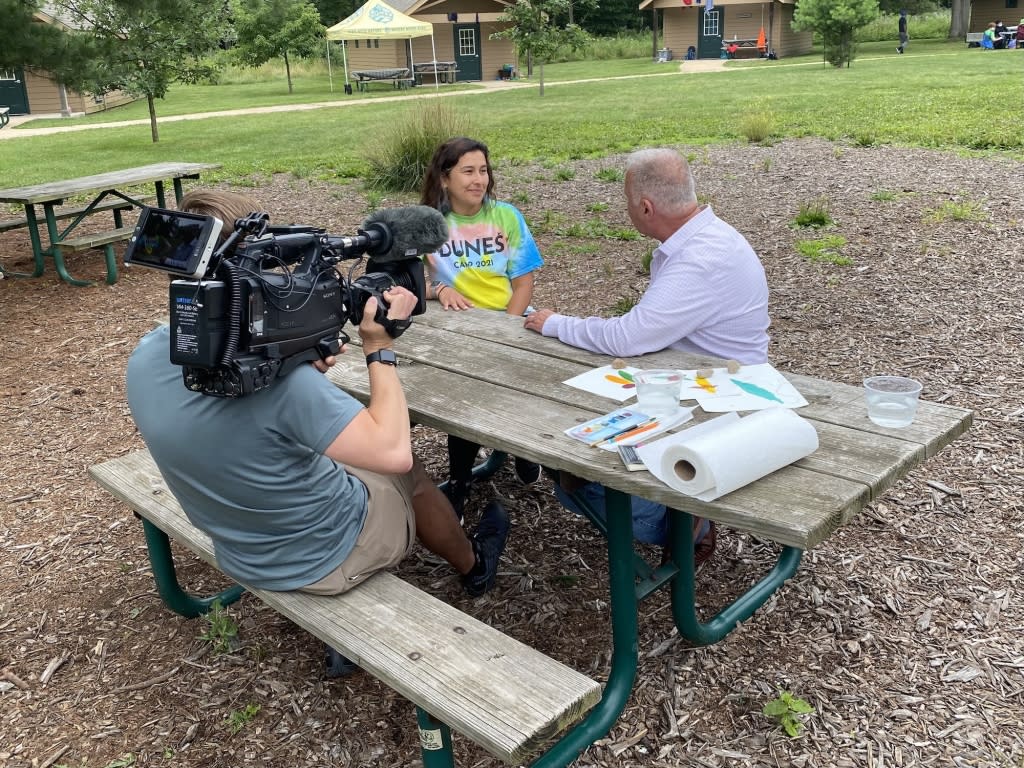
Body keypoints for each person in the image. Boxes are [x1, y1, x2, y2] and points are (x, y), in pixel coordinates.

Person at [126, 190, 510, 622]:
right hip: (321, 559)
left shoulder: (146, 355)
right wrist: (379, 346)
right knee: (410, 471)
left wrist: (294, 363)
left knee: (352, 457)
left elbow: (243, 427)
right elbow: (393, 451)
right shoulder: (284, 390)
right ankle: (474, 564)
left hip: (239, 541)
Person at [524, 147, 771, 560]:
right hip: (697, 378)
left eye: (627, 203)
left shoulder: (700, 258)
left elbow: (630, 337)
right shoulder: (706, 237)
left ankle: (683, 523)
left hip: (718, 400)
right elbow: (649, 330)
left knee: (571, 475)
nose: (627, 210)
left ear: (645, 206)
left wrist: (552, 322)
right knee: (572, 431)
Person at [419, 137, 545, 518]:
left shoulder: (506, 216)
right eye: (468, 171)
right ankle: (459, 480)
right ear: (444, 179)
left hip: (511, 316)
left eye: (484, 170)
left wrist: (505, 330)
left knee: (527, 381)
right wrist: (438, 289)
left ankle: (522, 447)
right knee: (463, 399)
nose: (479, 180)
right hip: (459, 328)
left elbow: (523, 282)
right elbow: (399, 285)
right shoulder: (427, 224)